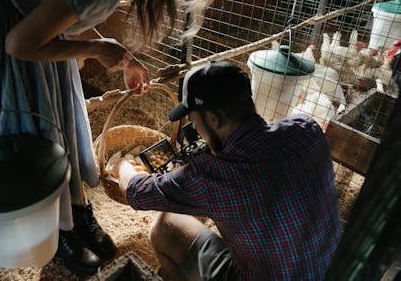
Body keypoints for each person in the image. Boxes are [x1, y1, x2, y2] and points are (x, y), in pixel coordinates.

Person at [0, 0, 232, 276]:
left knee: (60, 118)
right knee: (37, 132)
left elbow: (65, 3)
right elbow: (19, 44)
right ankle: (58, 230)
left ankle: (76, 210)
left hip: (32, 21)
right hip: (7, 23)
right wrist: (99, 49)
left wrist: (120, 56)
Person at [108, 61, 342, 280]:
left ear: (213, 118)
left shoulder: (213, 176)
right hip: (333, 270)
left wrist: (124, 166)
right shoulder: (307, 130)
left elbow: (135, 191)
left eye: (194, 121)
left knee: (164, 226)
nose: (197, 130)